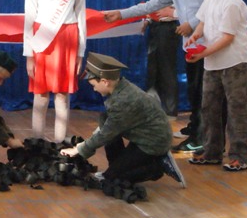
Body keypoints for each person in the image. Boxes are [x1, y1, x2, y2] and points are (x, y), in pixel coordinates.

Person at [104, 0, 214, 152]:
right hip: (191, 46)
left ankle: (203, 138)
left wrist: (191, 23)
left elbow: (212, 6)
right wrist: (121, 14)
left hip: (208, 47)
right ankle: (197, 133)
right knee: (194, 91)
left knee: (205, 94)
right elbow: (151, 5)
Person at [60, 52, 186, 189]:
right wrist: (85, 146)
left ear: (105, 82)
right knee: (112, 159)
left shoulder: (123, 101)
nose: (94, 89)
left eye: (93, 85)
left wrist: (79, 149)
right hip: (142, 136)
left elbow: (106, 133)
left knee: (113, 179)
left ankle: (159, 165)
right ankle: (117, 169)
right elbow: (108, 129)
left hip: (152, 143)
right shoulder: (120, 87)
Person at [185, 0, 247, 171]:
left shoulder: (232, 1)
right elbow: (203, 21)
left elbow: (227, 38)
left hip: (235, 63)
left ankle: (240, 156)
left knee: (236, 109)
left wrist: (202, 53)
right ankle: (212, 151)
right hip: (213, 62)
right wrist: (196, 35)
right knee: (209, 107)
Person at [23, 0, 89, 143]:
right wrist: (29, 54)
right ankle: (37, 143)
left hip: (68, 37)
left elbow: (80, 14)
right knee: (41, 95)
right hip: (42, 37)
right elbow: (29, 16)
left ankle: (60, 144)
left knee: (62, 95)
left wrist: (80, 52)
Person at [143, 0, 180, 118]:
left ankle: (170, 110)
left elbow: (182, 8)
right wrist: (147, 20)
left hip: (168, 29)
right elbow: (153, 7)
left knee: (167, 69)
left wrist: (172, 12)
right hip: (155, 28)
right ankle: (155, 108)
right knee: (153, 68)